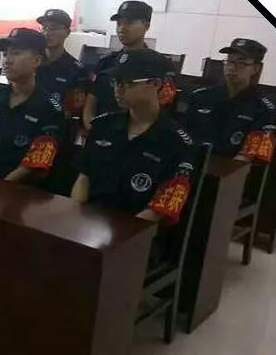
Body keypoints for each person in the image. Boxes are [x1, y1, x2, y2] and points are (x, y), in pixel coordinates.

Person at [71, 49, 196, 226]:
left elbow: (164, 206)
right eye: (115, 82)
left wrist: (125, 233)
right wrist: (76, 216)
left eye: (128, 83)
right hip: (89, 223)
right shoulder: (103, 126)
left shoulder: (176, 141)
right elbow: (84, 177)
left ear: (155, 84)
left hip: (138, 230)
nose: (118, 89)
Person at [0, 28, 65, 184]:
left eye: (16, 53)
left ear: (37, 61)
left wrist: (1, 187)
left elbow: (36, 161)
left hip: (19, 190)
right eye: (6, 54)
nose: (7, 60)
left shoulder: (50, 108)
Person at [83, 0, 176, 127]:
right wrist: (93, 130)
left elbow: (164, 109)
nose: (122, 29)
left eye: (129, 23)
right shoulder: (106, 62)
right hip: (103, 131)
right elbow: (90, 105)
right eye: (119, 23)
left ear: (146, 26)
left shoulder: (160, 65)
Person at [184, 38, 276, 163]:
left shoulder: (263, 109)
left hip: (227, 170)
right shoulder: (200, 97)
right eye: (229, 61)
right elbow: (182, 136)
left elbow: (249, 156)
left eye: (241, 63)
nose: (232, 67)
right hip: (189, 163)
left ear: (255, 69)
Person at [35, 8, 91, 119]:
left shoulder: (76, 70)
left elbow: (75, 110)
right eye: (44, 28)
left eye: (53, 28)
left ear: (67, 32)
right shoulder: (32, 62)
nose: (47, 33)